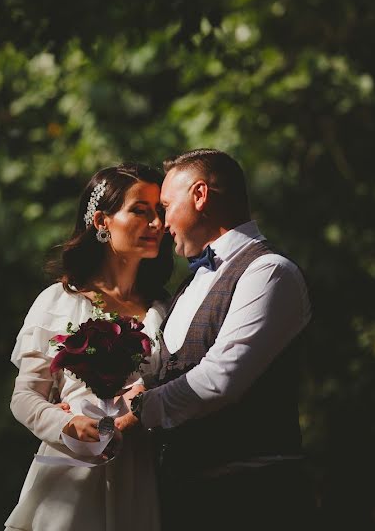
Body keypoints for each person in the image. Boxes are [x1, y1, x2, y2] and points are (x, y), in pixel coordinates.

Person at [114, 149, 314, 531]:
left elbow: (220, 379)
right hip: (184, 499)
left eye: (167, 206)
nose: (161, 222)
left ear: (200, 195)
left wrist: (139, 409)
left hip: (255, 499)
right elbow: (175, 370)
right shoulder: (189, 285)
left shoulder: (270, 272)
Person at [5, 163, 174, 531]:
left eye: (159, 213)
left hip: (140, 474)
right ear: (101, 220)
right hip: (70, 475)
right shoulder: (59, 300)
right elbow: (25, 398)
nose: (157, 224)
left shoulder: (165, 309)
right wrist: (67, 423)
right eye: (140, 212)